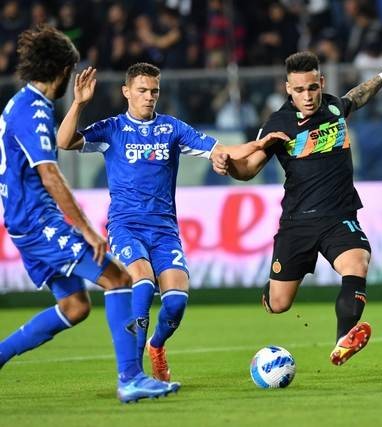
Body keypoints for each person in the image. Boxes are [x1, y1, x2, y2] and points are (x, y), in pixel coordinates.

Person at [56, 62, 287, 382]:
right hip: (126, 227)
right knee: (143, 280)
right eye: (142, 91)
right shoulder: (112, 129)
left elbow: (223, 150)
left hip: (164, 231)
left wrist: (261, 144)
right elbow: (65, 142)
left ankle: (157, 346)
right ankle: (133, 372)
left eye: (154, 91)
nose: (149, 97)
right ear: (126, 92)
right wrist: (79, 102)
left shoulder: (172, 129)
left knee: (176, 303)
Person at [0, 25, 179, 403]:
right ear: (64, 71)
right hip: (38, 223)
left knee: (75, 306)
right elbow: (50, 173)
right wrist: (88, 230)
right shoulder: (32, 110)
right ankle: (131, 378)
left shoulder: (19, 103)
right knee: (118, 278)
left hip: (22, 223)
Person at [213, 51, 382, 365]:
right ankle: (272, 289)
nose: (307, 96)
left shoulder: (334, 107)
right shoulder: (278, 123)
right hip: (298, 223)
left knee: (357, 263)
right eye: (298, 90)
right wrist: (230, 167)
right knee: (278, 304)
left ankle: (343, 340)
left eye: (312, 88)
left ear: (320, 82)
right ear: (287, 89)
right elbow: (249, 168)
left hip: (339, 217)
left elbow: (357, 97)